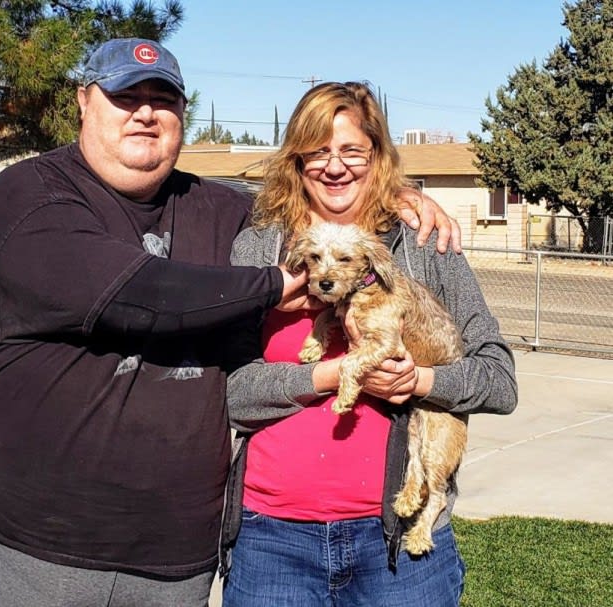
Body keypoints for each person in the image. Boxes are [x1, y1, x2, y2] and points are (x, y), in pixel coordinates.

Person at [0, 37, 460, 606]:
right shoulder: (30, 194)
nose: (145, 112)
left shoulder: (218, 207)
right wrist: (273, 285)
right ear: (83, 101)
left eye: (163, 99)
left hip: (169, 557)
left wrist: (393, 189)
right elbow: (141, 292)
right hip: (15, 539)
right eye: (125, 95)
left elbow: (309, 193)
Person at [222, 81, 518, 607]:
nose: (335, 167)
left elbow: (499, 380)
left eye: (352, 150)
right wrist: (330, 375)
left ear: (377, 155)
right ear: (296, 159)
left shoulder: (424, 242)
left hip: (397, 544)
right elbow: (233, 394)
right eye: (317, 151)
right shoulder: (258, 246)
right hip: (272, 537)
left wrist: (422, 380)